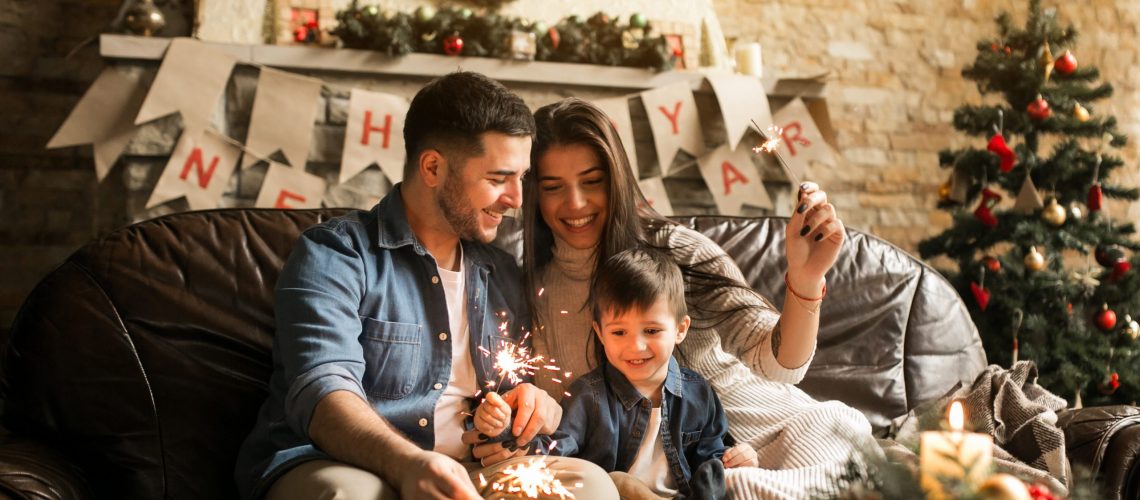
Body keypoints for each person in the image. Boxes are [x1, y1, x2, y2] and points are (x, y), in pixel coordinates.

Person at [234, 74, 617, 500]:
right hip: (347, 465)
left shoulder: (501, 271)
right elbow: (323, 391)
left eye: (521, 178)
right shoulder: (336, 254)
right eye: (497, 178)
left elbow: (515, 386)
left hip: (474, 476)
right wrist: (408, 463)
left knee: (590, 487)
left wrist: (531, 409)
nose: (517, 199)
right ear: (433, 167)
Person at [493, 97, 874, 499]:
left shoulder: (678, 251)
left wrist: (806, 275)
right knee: (734, 488)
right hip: (701, 476)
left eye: (592, 182)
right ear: (533, 193)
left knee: (840, 462)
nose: (575, 203)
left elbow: (783, 367)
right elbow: (557, 426)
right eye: (553, 188)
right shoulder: (533, 292)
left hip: (785, 432)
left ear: (616, 179)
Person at [476, 248, 759, 499]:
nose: (635, 346)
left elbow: (710, 457)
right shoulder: (589, 395)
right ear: (600, 333)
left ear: (680, 329)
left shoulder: (698, 392)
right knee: (618, 481)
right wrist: (505, 429)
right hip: (612, 494)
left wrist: (737, 458)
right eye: (619, 332)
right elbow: (556, 450)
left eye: (651, 331)